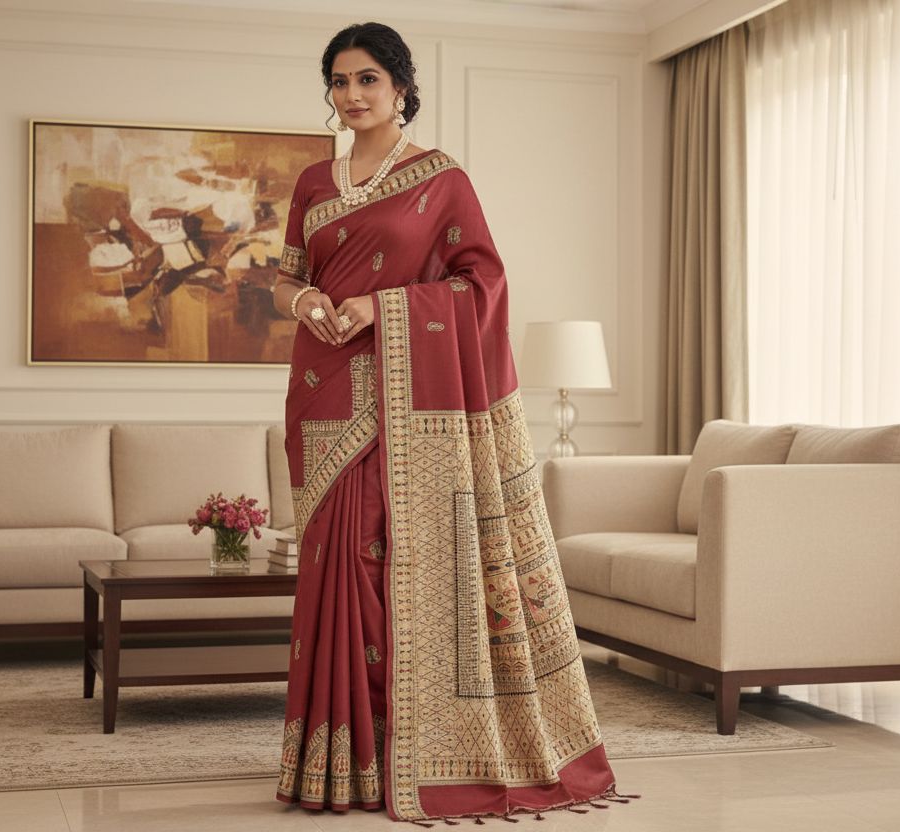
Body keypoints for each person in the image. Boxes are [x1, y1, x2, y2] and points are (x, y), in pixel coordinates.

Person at [270, 21, 635, 825]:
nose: (351, 95)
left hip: (411, 401)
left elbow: (482, 285)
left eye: (368, 79)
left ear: (401, 87)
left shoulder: (443, 180)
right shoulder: (310, 181)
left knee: (398, 567)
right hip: (326, 387)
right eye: (338, 81)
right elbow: (283, 278)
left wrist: (380, 306)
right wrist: (307, 303)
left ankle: (410, 754)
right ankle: (341, 762)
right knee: (335, 567)